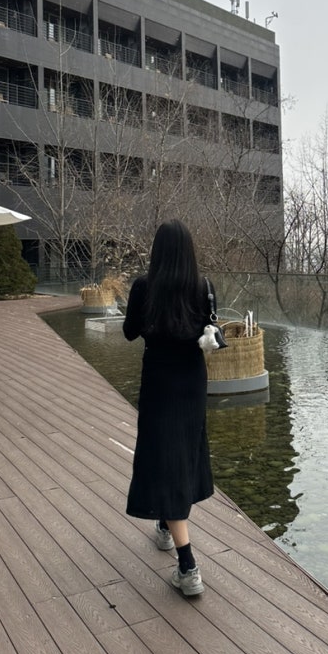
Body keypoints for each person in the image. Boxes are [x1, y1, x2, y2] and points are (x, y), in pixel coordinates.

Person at [122, 219, 215, 596]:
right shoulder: (204, 287)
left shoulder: (144, 287)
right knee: (181, 453)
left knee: (162, 453)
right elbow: (207, 330)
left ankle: (188, 566)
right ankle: (163, 524)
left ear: (157, 251)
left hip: (159, 382)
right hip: (192, 383)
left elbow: (130, 332)